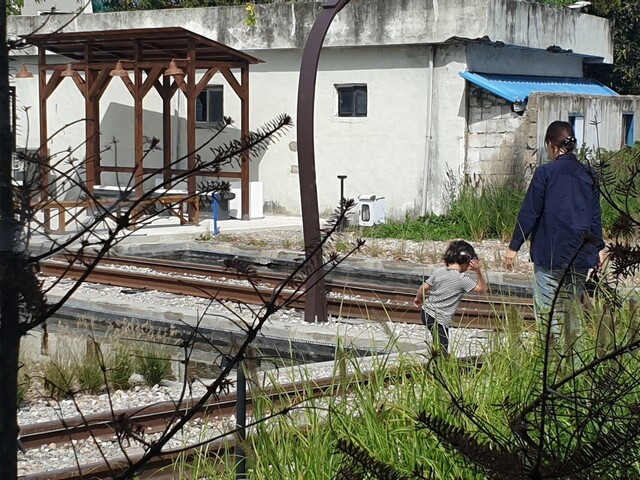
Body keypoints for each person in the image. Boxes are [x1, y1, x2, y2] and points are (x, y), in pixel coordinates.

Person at [504, 120, 606, 345]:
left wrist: (514, 246)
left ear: (551, 145)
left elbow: (530, 211)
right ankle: (575, 367)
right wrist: (599, 247)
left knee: (548, 313)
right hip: (580, 254)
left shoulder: (545, 172)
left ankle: (551, 366)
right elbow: (594, 216)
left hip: (550, 253)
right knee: (572, 313)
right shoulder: (589, 173)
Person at [413, 240, 488, 356]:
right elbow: (483, 289)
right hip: (439, 319)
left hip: (426, 313)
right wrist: (478, 270)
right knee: (443, 344)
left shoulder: (438, 272)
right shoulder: (462, 279)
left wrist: (419, 299)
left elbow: (423, 288)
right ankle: (440, 365)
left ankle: (438, 359)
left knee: (439, 339)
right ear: (466, 261)